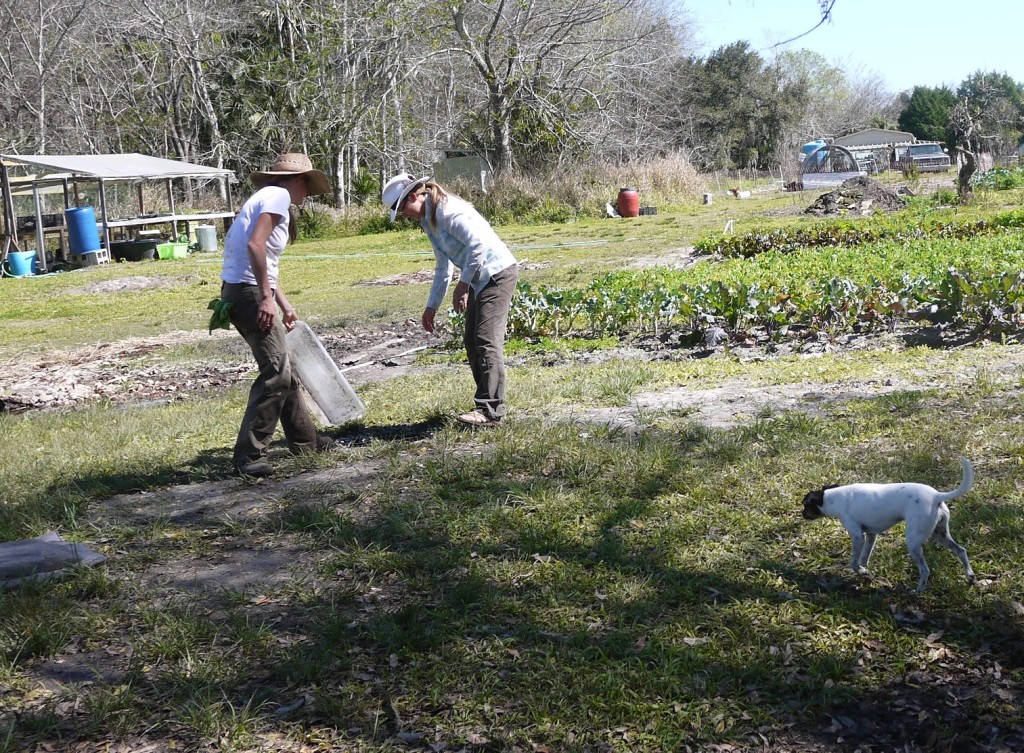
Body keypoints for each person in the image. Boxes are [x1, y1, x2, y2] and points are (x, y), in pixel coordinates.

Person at [220, 152, 334, 477]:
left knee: (284, 368)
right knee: (276, 374)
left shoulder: (267, 197)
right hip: (248, 293)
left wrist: (283, 303)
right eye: (307, 187)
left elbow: (266, 261)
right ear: (298, 180)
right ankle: (248, 457)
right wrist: (266, 300)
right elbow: (255, 246)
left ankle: (306, 442)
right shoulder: (279, 195)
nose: (306, 195)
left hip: (243, 290)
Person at [382, 173, 518, 427]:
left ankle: (490, 411)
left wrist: (463, 284)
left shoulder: (447, 211)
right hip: (480, 278)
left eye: (402, 209)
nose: (404, 216)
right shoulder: (428, 219)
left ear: (414, 195)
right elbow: (443, 266)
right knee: (472, 341)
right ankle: (486, 408)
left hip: (497, 273)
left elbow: (478, 245)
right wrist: (431, 305)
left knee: (486, 341)